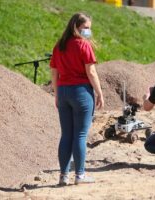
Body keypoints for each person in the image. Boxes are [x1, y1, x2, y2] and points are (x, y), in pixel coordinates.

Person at [50, 12, 104, 186]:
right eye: (86, 28)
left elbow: (54, 72)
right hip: (81, 92)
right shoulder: (83, 45)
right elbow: (91, 72)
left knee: (66, 135)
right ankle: (80, 175)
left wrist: (57, 94)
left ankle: (63, 176)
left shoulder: (59, 46)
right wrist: (100, 93)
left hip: (64, 91)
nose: (88, 31)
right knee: (80, 135)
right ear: (77, 27)